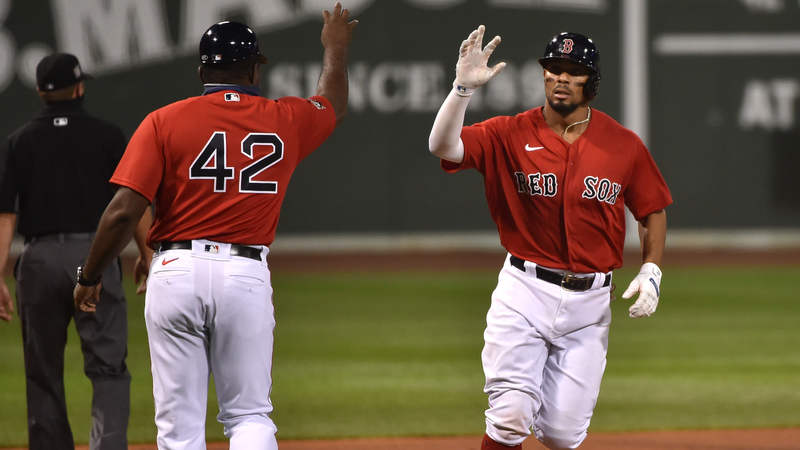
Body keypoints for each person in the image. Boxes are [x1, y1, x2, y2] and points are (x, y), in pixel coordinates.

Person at [72, 4, 357, 449]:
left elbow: (122, 210)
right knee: (249, 415)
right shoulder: (285, 119)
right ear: (254, 70)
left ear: (202, 69)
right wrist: (334, 49)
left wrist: (89, 277)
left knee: (179, 428)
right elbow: (333, 105)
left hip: (175, 269)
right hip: (245, 274)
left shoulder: (163, 120)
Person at [428, 27, 672, 449]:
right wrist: (462, 89)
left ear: (591, 83)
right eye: (553, 68)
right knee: (509, 418)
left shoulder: (623, 145)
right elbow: (443, 146)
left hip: (591, 305)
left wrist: (652, 268)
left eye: (573, 71)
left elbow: (651, 209)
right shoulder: (508, 134)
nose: (560, 77)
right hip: (524, 291)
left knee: (562, 435)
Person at [0, 53, 152, 450]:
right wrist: (149, 254)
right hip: (95, 259)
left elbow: (5, 218)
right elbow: (131, 203)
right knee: (108, 369)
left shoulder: (18, 141)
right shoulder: (107, 135)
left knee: (42, 373)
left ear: (39, 92)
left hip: (38, 261)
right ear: (80, 86)